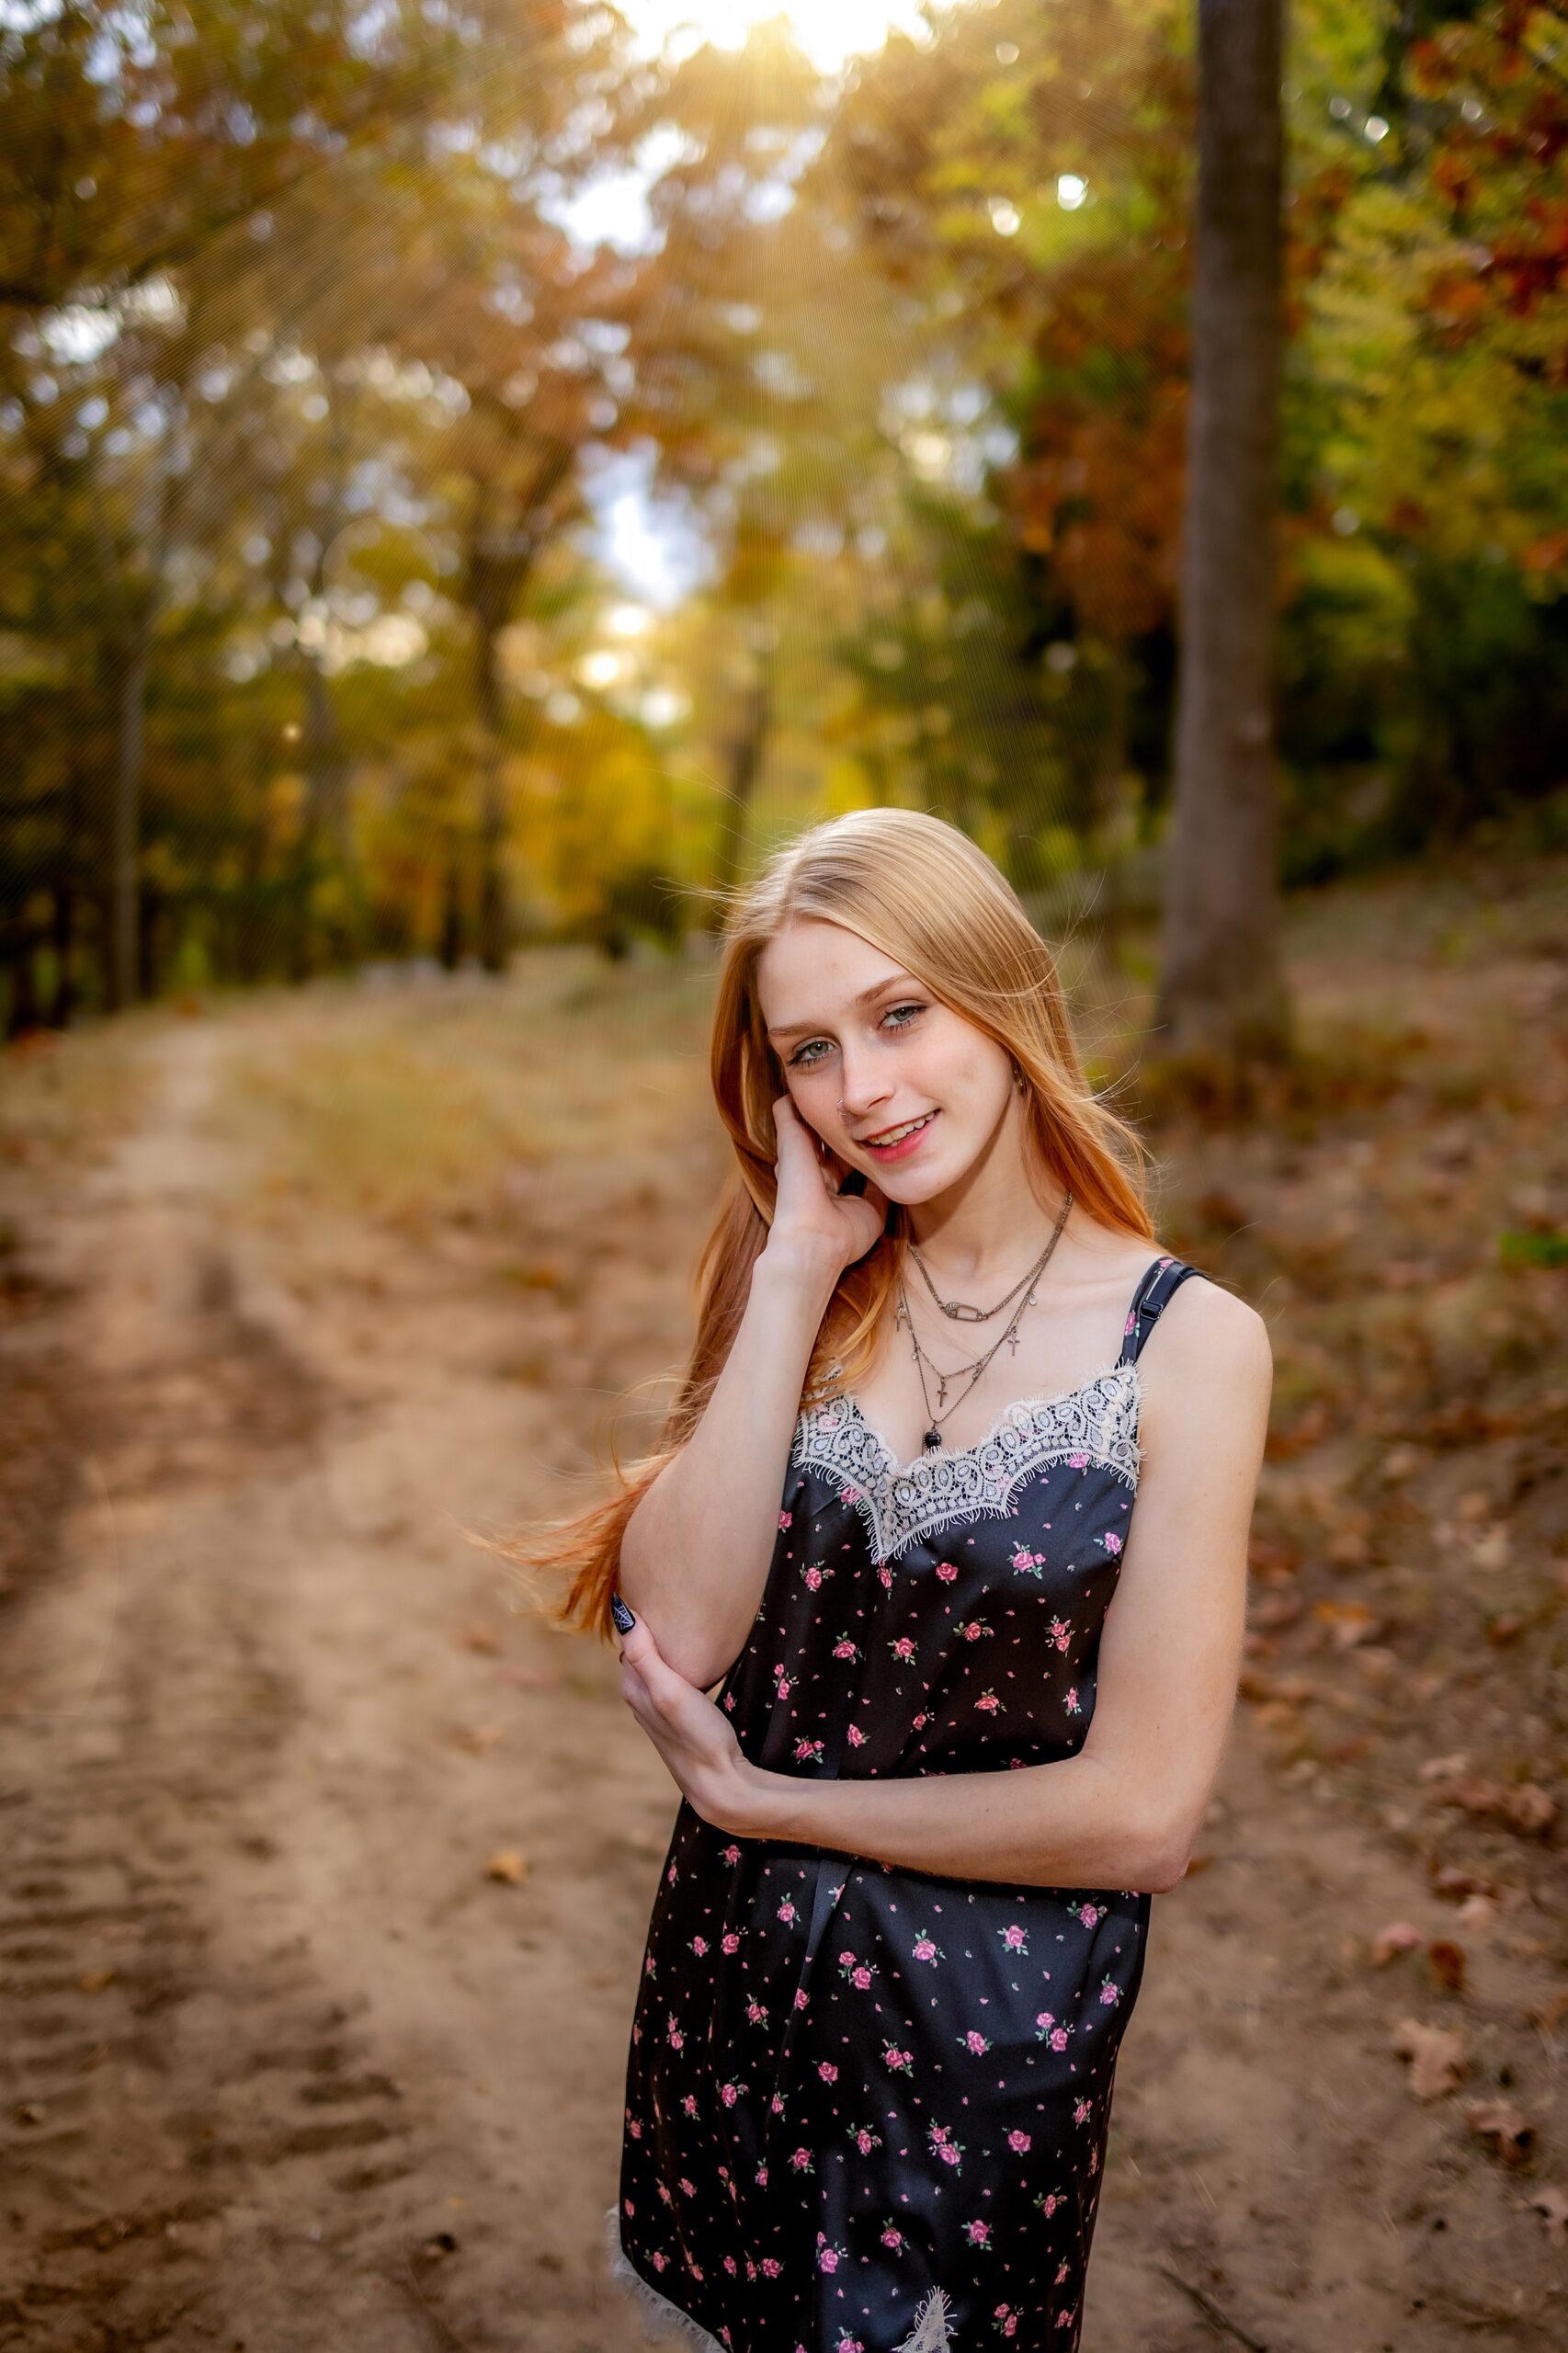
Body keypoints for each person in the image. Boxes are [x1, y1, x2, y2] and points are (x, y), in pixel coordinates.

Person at [508, 807, 1272, 2353]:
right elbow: (688, 1628)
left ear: (1001, 991)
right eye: (805, 1052)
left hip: (983, 2053)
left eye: (899, 1014)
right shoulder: (801, 1272)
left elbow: (1142, 1812)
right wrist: (790, 1274)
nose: (861, 1091)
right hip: (732, 2014)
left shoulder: (1187, 1348)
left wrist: (775, 1807)